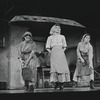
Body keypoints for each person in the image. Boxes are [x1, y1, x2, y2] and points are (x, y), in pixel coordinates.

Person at [46, 24, 70, 90]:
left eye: (59, 28)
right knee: (54, 68)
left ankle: (61, 84)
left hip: (61, 52)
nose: (58, 29)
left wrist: (61, 51)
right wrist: (52, 52)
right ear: (53, 28)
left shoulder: (62, 36)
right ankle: (56, 83)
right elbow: (47, 47)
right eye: (56, 28)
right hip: (53, 52)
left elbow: (65, 46)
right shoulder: (50, 37)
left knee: (62, 67)